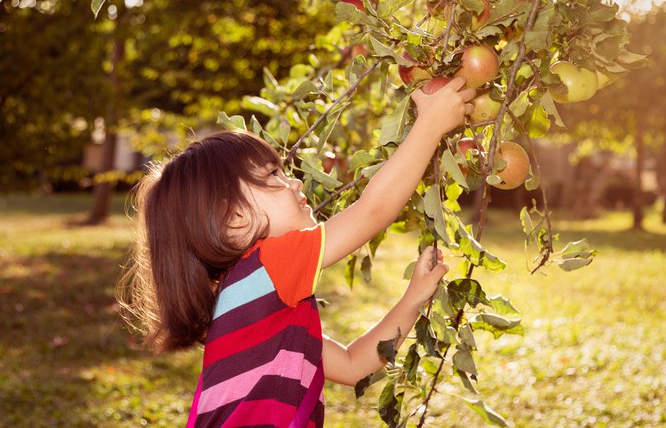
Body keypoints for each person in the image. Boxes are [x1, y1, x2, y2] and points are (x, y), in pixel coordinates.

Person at [119, 77, 476, 427]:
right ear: (234, 218)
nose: (295, 181)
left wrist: (412, 298)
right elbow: (373, 211)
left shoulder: (258, 300)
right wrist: (430, 124)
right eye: (274, 174)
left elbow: (353, 365)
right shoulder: (269, 266)